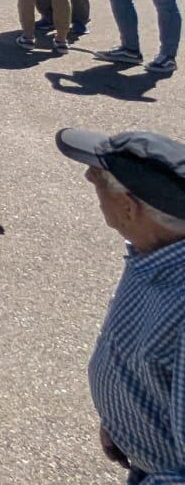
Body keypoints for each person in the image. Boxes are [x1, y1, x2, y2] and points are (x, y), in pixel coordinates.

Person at [55, 126, 185, 483]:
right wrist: (123, 421)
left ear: (129, 208)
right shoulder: (156, 251)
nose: (87, 176)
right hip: (144, 457)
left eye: (97, 177)